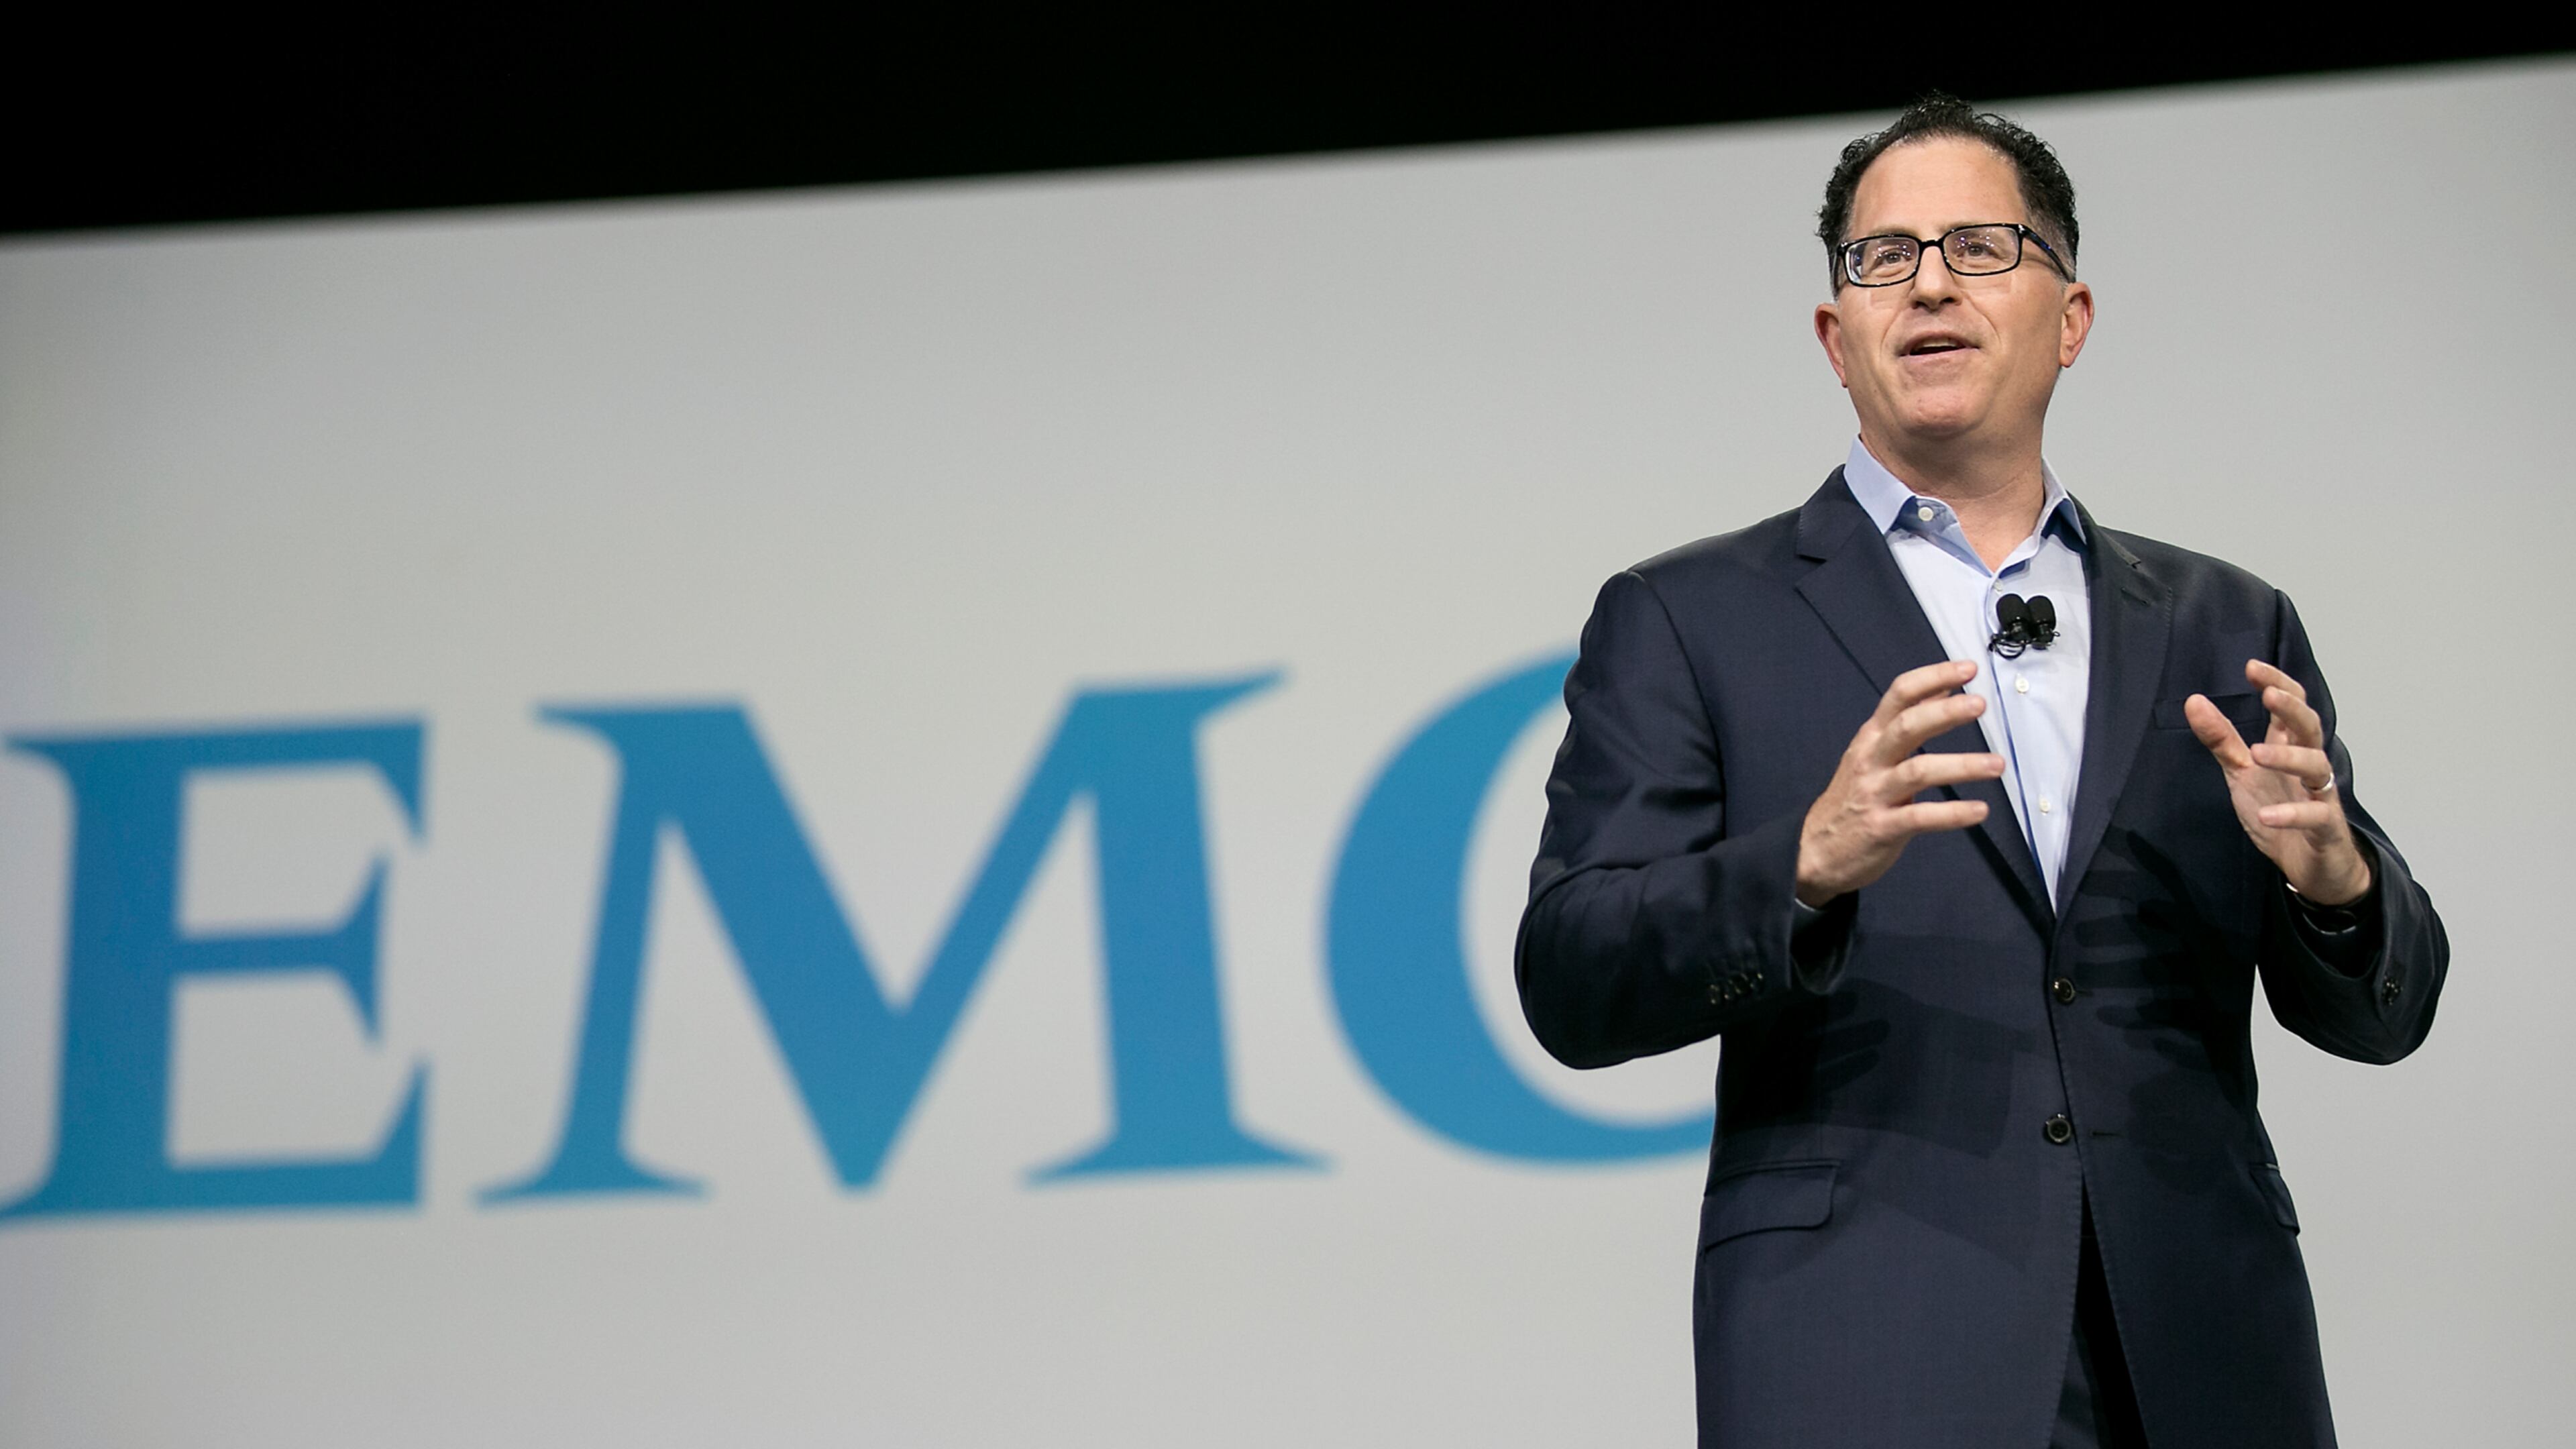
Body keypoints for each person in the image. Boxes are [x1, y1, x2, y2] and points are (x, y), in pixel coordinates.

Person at [1514, 95, 2447, 1448]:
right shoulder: (1692, 617)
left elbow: (2380, 1016)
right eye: (1883, 257)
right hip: (1871, 1356)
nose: (1931, 281)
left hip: (2198, 1354)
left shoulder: (2222, 622)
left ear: (2071, 318)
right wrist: (1805, 867)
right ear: (1838, 340)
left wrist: (2335, 883)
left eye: (1981, 246)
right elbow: (1572, 977)